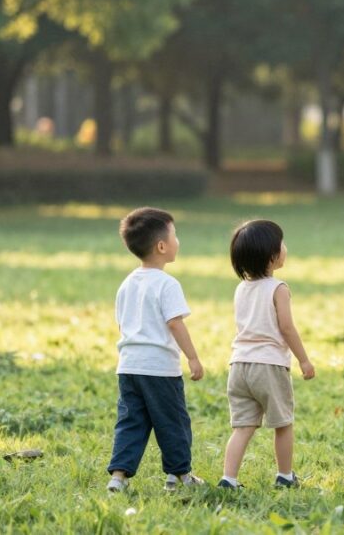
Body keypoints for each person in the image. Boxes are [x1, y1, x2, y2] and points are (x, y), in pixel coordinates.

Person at [106, 207, 205, 493]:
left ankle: (118, 478)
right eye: (175, 235)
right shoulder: (167, 283)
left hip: (128, 366)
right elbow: (175, 324)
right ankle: (179, 476)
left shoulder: (127, 283)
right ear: (162, 246)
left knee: (131, 422)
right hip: (159, 368)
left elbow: (122, 323)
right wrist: (193, 357)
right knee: (172, 422)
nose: (178, 241)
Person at [218, 220, 315, 490]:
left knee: (243, 427)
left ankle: (229, 478)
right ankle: (285, 476)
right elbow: (286, 327)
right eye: (282, 243)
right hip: (269, 366)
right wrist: (304, 359)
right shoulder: (278, 287)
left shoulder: (241, 288)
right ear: (272, 255)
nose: (285, 248)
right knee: (283, 423)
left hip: (238, 365)